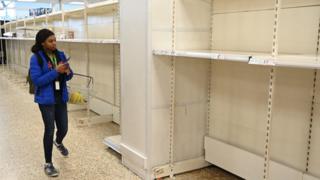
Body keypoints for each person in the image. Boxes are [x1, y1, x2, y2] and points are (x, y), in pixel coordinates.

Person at [29, 29, 73, 177]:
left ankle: (58, 142)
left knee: (64, 128)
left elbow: (69, 75)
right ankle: (48, 163)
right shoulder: (36, 58)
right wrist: (56, 71)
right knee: (49, 129)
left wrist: (67, 72)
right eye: (50, 41)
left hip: (60, 97)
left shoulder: (60, 55)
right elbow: (37, 81)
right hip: (46, 100)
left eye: (55, 40)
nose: (54, 43)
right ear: (42, 43)